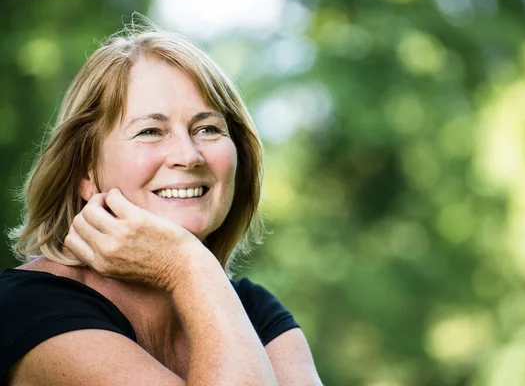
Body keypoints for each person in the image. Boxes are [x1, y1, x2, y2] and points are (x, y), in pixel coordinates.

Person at [0, 19, 322, 385]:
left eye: (208, 129)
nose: (189, 155)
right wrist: (185, 265)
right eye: (150, 131)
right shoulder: (29, 307)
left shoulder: (254, 310)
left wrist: (191, 269)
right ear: (85, 172)